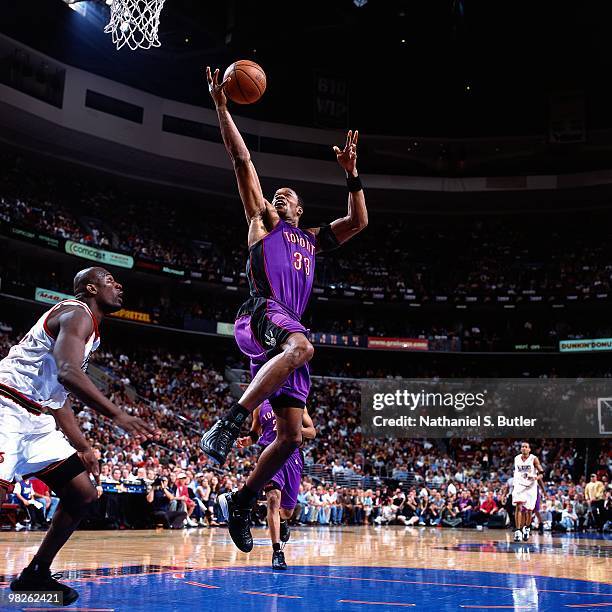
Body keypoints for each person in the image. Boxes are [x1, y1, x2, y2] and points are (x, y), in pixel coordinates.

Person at [199, 66, 368, 553]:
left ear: (301, 209)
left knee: (292, 438)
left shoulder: (312, 239)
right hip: (262, 316)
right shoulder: (264, 221)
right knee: (304, 345)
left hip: (282, 341)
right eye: (278, 194)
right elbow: (241, 161)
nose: (281, 195)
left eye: (290, 196)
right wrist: (222, 108)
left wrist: (352, 174)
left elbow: (358, 220)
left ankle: (241, 499)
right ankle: (230, 420)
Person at [0, 267, 154, 605]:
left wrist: (83, 446)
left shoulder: (90, 333)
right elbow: (68, 373)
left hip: (35, 416)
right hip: (6, 404)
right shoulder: (76, 312)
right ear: (90, 288)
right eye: (110, 281)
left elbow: (58, 398)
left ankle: (35, 574)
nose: (119, 286)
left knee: (83, 493)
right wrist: (117, 414)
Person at [237, 401, 315, 570]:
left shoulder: (297, 402)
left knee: (286, 512)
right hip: (269, 454)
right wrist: (247, 441)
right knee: (273, 499)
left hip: (292, 456)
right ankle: (277, 552)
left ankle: (282, 521)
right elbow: (255, 433)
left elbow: (312, 432)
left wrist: (293, 429)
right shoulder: (260, 405)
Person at [512, 441, 543, 542]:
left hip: (531, 486)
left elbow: (541, 473)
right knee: (518, 506)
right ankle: (518, 531)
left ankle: (527, 528)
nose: (524, 448)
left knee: (529, 510)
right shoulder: (516, 458)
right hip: (519, 485)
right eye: (522, 447)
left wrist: (535, 477)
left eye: (526, 447)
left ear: (529, 449)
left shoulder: (534, 459)